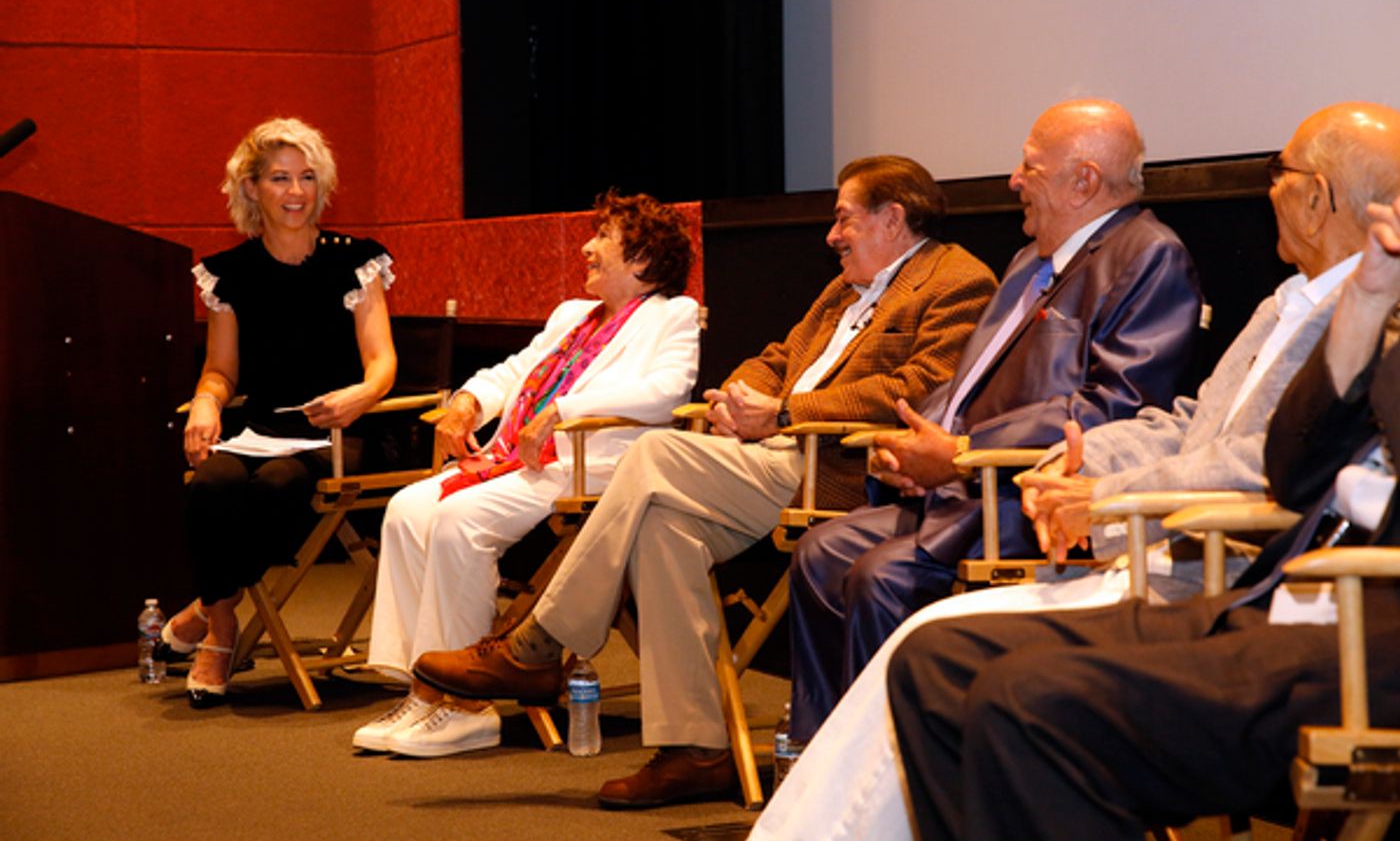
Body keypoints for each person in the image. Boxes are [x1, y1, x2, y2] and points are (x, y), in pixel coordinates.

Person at [749, 100, 1400, 840]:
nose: (1014, 179)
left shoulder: (1200, 268)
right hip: (1137, 533)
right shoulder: (1289, 299)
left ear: (1318, 197)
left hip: (1219, 563)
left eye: (1276, 173)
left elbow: (1260, 465)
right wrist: (1074, 465)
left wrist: (1084, 487)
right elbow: (1193, 422)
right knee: (913, 636)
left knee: (941, 644)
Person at [413, 154, 998, 806]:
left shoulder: (958, 282)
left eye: (844, 217)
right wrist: (738, 394)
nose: (831, 234)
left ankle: (536, 643)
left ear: (893, 217)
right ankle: (695, 750)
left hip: (835, 471)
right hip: (770, 457)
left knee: (654, 455)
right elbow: (779, 357)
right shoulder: (843, 289)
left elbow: (918, 388)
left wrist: (780, 412)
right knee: (665, 529)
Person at [885, 190, 1400, 841]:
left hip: (1366, 638)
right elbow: (1293, 470)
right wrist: (1367, 300)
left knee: (1027, 700)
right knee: (934, 660)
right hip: (1276, 598)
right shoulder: (1351, 313)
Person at [785, 98, 1202, 744]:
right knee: (817, 553)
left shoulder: (1148, 256)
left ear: (1082, 181)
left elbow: (1114, 407)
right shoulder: (1027, 264)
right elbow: (963, 384)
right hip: (959, 493)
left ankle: (899, 787)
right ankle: (823, 764)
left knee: (880, 575)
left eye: (1029, 167)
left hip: (1023, 501)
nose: (1013, 180)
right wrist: (911, 438)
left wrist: (960, 450)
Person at [351, 190, 701, 757]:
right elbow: (514, 371)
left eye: (602, 238)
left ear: (641, 261)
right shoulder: (571, 316)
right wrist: (467, 401)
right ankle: (425, 687)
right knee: (406, 508)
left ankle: (469, 703)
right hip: (520, 459)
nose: (586, 248)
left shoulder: (672, 315)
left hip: (587, 469)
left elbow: (666, 395)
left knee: (459, 520)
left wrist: (562, 412)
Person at [157, 117, 398, 708]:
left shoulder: (356, 261)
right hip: (261, 428)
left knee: (278, 487)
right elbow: (221, 370)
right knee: (210, 482)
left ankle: (206, 612)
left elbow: (381, 361)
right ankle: (223, 625)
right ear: (251, 189)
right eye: (281, 178)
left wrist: (360, 396)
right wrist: (207, 402)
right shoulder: (229, 274)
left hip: (333, 433)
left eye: (308, 178)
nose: (296, 192)